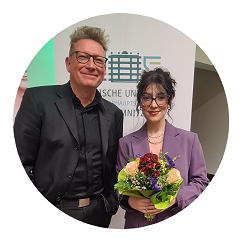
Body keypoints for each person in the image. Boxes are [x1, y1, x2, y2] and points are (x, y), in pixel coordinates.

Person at [14, 26, 123, 228]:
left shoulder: (114, 114)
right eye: (83, 57)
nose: (92, 65)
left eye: (98, 60)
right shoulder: (38, 101)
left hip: (99, 213)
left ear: (104, 69)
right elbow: (20, 161)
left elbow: (114, 166)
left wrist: (112, 202)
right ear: (68, 62)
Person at [116, 68, 209, 228]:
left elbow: (201, 182)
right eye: (147, 98)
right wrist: (131, 200)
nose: (153, 104)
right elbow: (117, 184)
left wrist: (173, 199)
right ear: (140, 101)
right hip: (137, 224)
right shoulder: (126, 143)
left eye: (160, 97)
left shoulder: (189, 140)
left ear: (170, 100)